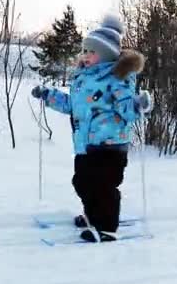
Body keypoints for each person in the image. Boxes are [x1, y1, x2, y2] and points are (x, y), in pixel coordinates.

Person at [31, 14, 153, 242]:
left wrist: (139, 104)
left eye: (91, 52)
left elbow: (127, 110)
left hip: (110, 147)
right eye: (84, 51)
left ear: (105, 55)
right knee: (82, 182)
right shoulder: (82, 79)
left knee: (104, 188)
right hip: (85, 145)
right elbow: (71, 105)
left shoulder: (117, 79)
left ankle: (106, 228)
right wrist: (48, 95)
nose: (85, 56)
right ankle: (91, 215)